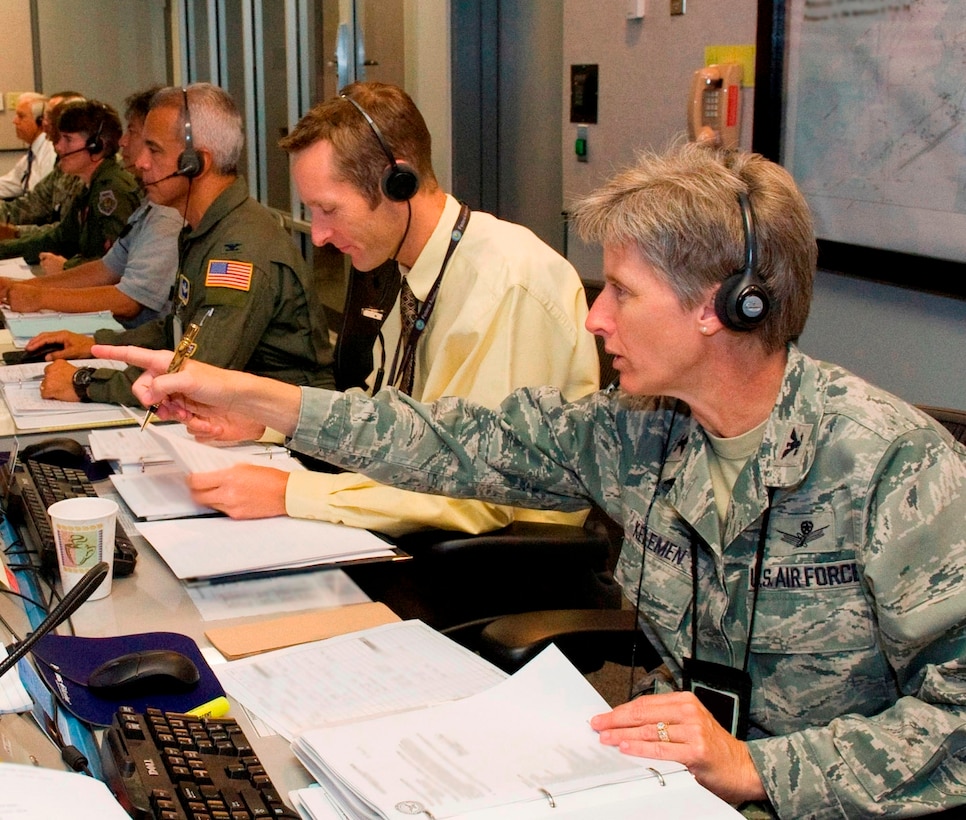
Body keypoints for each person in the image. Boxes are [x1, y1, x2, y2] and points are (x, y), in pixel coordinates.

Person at [97, 142, 966, 816]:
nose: (594, 316)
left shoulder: (894, 465)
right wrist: (263, 401)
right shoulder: (645, 430)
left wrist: (752, 764)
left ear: (718, 305)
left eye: (621, 293)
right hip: (656, 790)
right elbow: (458, 439)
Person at [180, 81, 599, 535]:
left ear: (398, 183)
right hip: (427, 539)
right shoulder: (415, 270)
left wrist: (289, 494)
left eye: (328, 210)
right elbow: (393, 423)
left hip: (497, 567)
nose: (318, 235)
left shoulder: (508, 280)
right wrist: (269, 424)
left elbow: (478, 490)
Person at [38, 82, 334, 406]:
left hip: (282, 438)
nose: (140, 162)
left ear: (196, 163)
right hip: (238, 417)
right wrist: (95, 343)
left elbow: (196, 375)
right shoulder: (207, 228)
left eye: (154, 150)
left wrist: (85, 383)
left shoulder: (239, 252)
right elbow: (182, 329)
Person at [0, 87, 180, 328]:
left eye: (68, 139)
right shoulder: (147, 204)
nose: (123, 142)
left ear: (96, 145)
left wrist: (40, 294)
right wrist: (21, 287)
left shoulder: (135, 198)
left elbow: (128, 299)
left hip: (130, 332)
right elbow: (105, 266)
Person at [0, 99, 140, 271]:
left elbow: (120, 260)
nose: (58, 147)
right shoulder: (89, 187)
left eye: (68, 139)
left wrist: (67, 267)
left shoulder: (112, 190)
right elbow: (59, 238)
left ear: (96, 146)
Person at [0, 92, 87, 240]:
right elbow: (31, 204)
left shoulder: (90, 173)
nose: (45, 123)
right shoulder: (63, 166)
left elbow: (67, 232)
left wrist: (15, 233)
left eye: (52, 116)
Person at [0, 92, 54, 199]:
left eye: (21, 116)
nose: (15, 121)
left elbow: (41, 199)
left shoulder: (50, 151)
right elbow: (11, 183)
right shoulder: (31, 155)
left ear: (40, 121)